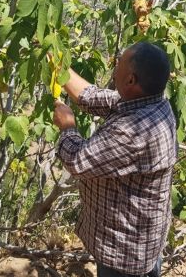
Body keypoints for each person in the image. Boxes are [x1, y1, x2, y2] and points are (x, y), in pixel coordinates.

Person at [52, 42, 177, 277]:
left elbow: (78, 161)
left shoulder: (134, 131)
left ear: (130, 80)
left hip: (125, 250)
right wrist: (55, 58)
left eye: (119, 62)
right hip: (143, 238)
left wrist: (67, 126)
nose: (115, 64)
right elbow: (90, 96)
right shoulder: (153, 103)